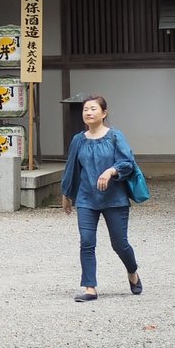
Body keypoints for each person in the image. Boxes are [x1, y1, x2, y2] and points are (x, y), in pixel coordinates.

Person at [60, 94, 144, 302]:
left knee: (120, 244)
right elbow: (71, 168)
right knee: (87, 242)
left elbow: (127, 163)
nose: (88, 112)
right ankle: (90, 287)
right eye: (85, 109)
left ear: (104, 113)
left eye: (93, 109)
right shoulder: (78, 140)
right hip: (87, 199)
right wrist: (67, 194)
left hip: (114, 199)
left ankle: (132, 271)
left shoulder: (115, 136)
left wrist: (110, 171)